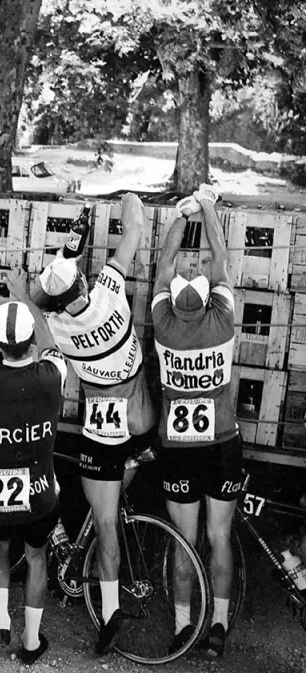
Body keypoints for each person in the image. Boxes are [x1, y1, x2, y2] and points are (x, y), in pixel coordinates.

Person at [31, 193, 157, 653]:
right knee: (114, 505)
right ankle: (131, 494)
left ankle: (108, 611)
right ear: (84, 283)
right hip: (141, 420)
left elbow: (40, 302)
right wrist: (126, 197)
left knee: (104, 521)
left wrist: (40, 277)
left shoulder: (57, 328)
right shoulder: (108, 292)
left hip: (99, 433)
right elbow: (135, 227)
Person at [151, 184, 242, 658]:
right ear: (208, 298)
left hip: (178, 449)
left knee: (184, 541)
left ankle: (183, 625)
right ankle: (220, 624)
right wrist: (206, 205)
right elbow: (221, 259)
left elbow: (166, 265)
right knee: (218, 536)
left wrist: (180, 216)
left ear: (173, 300)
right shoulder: (223, 319)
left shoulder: (163, 324)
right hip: (222, 442)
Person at [0, 269, 67, 664]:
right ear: (29, 342)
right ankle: (30, 641)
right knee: (36, 556)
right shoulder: (51, 376)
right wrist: (24, 296)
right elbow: (47, 338)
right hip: (41, 494)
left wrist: (4, 321)